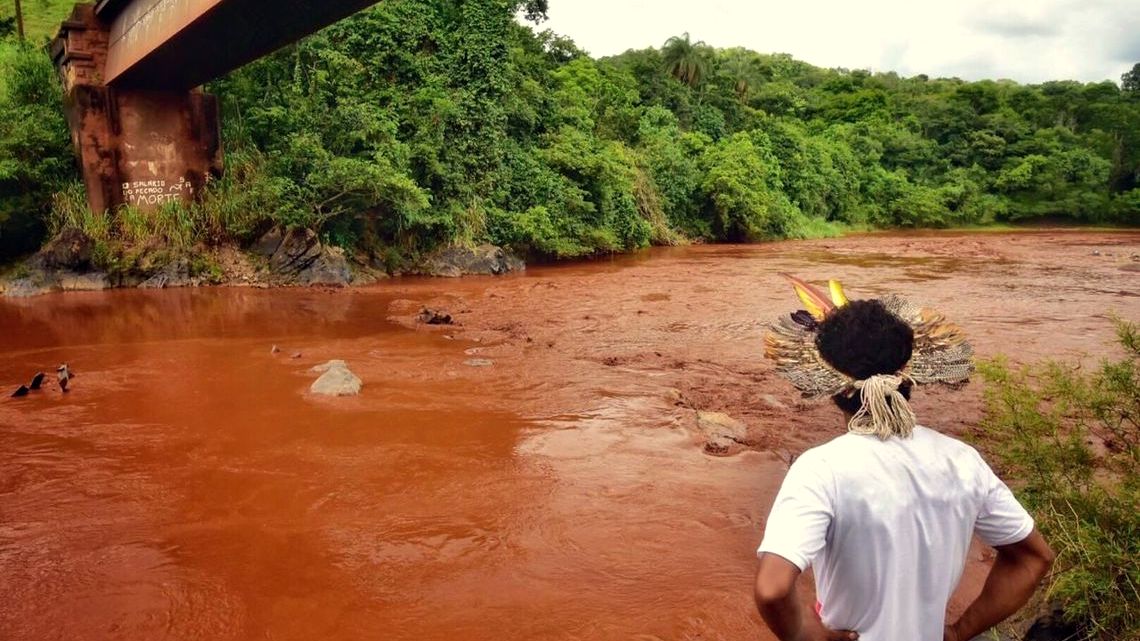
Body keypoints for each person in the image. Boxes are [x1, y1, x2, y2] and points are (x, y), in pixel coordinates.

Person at [754, 276, 1055, 641]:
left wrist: (809, 636)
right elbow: (1033, 558)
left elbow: (772, 589)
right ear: (907, 377)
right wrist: (961, 631)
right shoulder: (962, 461)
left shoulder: (821, 470)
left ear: (831, 388)